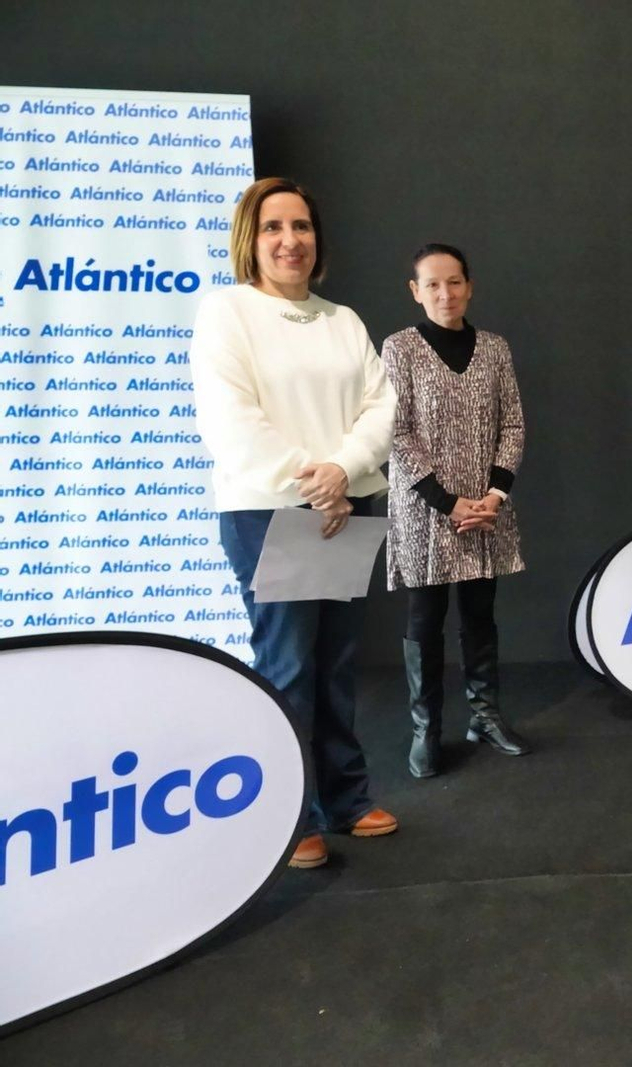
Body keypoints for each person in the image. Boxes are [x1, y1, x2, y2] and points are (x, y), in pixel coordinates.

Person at [190, 177, 399, 871]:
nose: (291, 240)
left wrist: (342, 473)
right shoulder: (227, 313)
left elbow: (382, 408)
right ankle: (294, 811)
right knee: (287, 665)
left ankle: (344, 799)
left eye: (302, 226)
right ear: (251, 239)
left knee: (336, 660)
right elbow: (232, 423)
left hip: (343, 507)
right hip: (269, 511)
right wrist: (316, 483)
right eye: (274, 227)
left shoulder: (343, 321)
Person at [381, 243, 529, 777]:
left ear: (469, 286)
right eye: (433, 284)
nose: (446, 293)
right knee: (425, 620)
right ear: (415, 292)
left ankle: (485, 716)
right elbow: (395, 431)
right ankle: (427, 731)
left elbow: (512, 424)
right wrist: (446, 502)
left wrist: (493, 496)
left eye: (455, 281)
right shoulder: (399, 348)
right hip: (426, 511)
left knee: (480, 616)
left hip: (486, 510)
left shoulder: (494, 348)